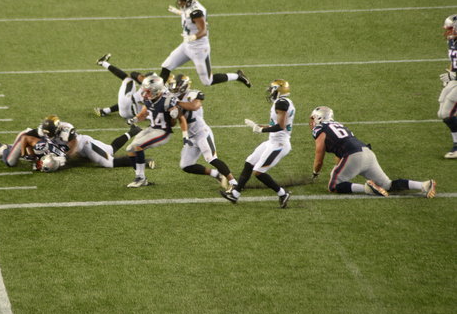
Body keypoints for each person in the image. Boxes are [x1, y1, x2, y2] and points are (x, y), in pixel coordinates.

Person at [308, 106, 436, 197]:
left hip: (354, 156)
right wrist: (338, 168)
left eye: (313, 118)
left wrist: (315, 173)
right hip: (367, 153)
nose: (312, 121)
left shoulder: (320, 129)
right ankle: (423, 185)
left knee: (334, 186)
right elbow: (340, 151)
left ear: (319, 118)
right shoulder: (338, 125)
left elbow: (319, 156)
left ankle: (367, 188)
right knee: (387, 185)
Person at [220, 79, 294, 208]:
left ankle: (283, 193)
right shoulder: (284, 102)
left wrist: (261, 130)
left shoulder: (281, 103)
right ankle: (235, 194)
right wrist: (260, 126)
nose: (270, 92)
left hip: (279, 144)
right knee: (249, 163)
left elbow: (281, 126)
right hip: (273, 141)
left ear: (278, 90)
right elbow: (276, 124)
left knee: (258, 172)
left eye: (272, 89)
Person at [0, 115, 149, 171]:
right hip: (58, 147)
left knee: (110, 154)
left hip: (83, 145)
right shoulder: (43, 130)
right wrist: (30, 155)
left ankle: (133, 137)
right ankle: (5, 148)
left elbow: (73, 145)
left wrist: (66, 158)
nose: (47, 135)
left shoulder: (67, 130)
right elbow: (26, 137)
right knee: (25, 155)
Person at [160, 0, 251, 88]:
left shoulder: (197, 12)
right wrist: (179, 12)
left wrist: (193, 37)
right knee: (166, 66)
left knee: (207, 81)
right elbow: (189, 16)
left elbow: (203, 31)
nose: (180, 3)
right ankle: (158, 94)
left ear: (189, 0)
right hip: (186, 46)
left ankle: (237, 76)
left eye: (182, 0)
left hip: (199, 49)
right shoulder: (190, 8)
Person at [167, 73, 237, 189]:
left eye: (177, 86)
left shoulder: (193, 94)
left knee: (211, 158)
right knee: (186, 165)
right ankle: (216, 174)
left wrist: (177, 103)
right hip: (191, 137)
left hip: (202, 132)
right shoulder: (172, 98)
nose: (174, 89)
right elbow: (174, 123)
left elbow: (194, 106)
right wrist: (172, 114)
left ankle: (234, 183)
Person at [125, 74, 180, 187]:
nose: (145, 94)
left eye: (148, 91)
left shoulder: (167, 100)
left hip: (163, 132)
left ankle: (140, 179)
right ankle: (141, 177)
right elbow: (144, 113)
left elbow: (173, 123)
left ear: (157, 90)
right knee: (130, 149)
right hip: (152, 128)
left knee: (137, 146)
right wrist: (135, 119)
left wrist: (173, 115)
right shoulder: (149, 99)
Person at [93, 53, 145, 118]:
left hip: (123, 113)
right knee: (136, 101)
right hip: (136, 115)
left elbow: (133, 74)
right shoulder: (156, 95)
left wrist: (141, 80)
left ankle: (102, 63)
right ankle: (105, 111)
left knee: (128, 79)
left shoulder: (145, 87)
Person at [438, 14, 457, 158]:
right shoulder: (452, 41)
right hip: (455, 79)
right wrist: (450, 74)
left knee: (447, 113)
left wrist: (454, 77)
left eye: (450, 29)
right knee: (441, 113)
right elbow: (453, 62)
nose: (448, 32)